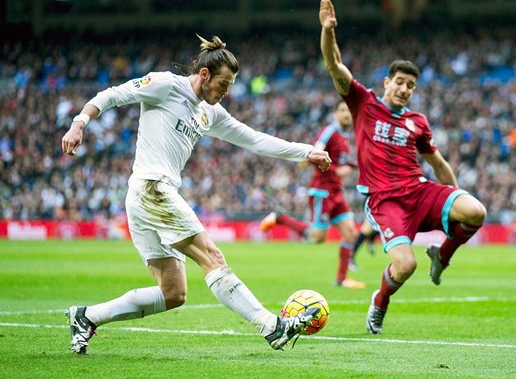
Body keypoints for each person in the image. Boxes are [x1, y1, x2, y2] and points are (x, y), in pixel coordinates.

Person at [61, 35, 332, 354]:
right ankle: (271, 327)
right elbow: (112, 95)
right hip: (152, 187)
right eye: (224, 83)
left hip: (148, 195)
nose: (227, 91)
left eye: (230, 85)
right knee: (212, 256)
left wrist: (306, 151)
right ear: (204, 75)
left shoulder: (210, 113)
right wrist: (79, 123)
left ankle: (86, 316)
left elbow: (253, 139)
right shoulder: (165, 85)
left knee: (173, 292)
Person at [319, 0, 487, 334]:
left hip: (420, 192)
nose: (404, 89)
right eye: (399, 82)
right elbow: (334, 65)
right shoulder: (363, 103)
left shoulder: (417, 121)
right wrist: (328, 31)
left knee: (475, 211)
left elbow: (436, 161)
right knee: (406, 264)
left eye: (410, 85)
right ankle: (380, 302)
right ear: (386, 83)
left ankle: (442, 255)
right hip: (386, 201)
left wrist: (452, 192)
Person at [259, 100, 364, 289]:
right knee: (317, 237)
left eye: (349, 110)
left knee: (350, 234)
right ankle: (280, 217)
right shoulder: (330, 131)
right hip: (321, 191)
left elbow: (345, 162)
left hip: (336, 192)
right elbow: (316, 151)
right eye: (342, 110)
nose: (347, 114)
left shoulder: (346, 136)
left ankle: (341, 279)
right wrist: (331, 167)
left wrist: (350, 167)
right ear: (336, 113)